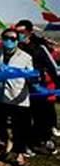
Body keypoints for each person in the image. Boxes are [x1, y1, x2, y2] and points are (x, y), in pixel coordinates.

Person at [16, 19, 59, 154]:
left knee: (42, 116)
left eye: (22, 32)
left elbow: (52, 67)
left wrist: (58, 85)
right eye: (17, 32)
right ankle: (28, 144)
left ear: (29, 32)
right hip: (20, 88)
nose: (19, 35)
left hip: (38, 88)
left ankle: (45, 140)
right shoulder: (16, 48)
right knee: (24, 118)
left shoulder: (40, 48)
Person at [0, 28, 33, 166]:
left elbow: (31, 77)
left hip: (18, 97)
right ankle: (7, 142)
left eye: (13, 39)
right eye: (6, 38)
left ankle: (19, 154)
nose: (9, 41)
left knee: (20, 127)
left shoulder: (26, 57)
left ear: (17, 41)